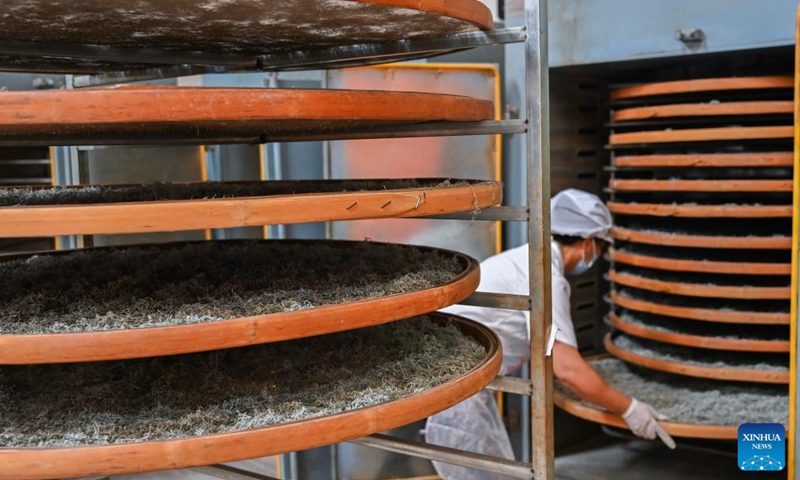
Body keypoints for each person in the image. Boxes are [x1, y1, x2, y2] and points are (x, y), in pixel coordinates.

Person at [424, 189, 675, 480]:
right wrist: (630, 409)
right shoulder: (546, 278)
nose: (598, 254)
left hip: (457, 377)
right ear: (590, 242)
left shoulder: (527, 259)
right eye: (601, 246)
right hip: (457, 385)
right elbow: (566, 368)